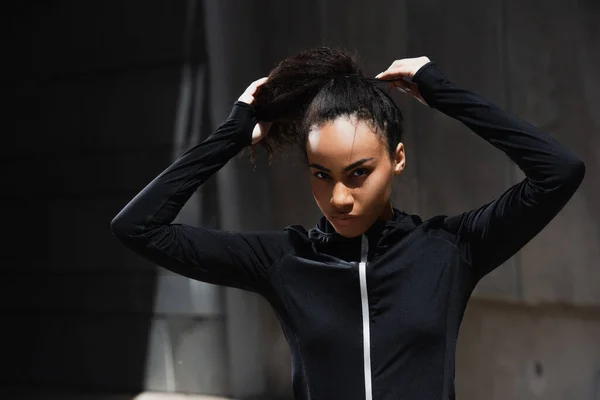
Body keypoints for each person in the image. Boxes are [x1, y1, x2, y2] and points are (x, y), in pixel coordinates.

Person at [110, 47, 585, 400]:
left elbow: (558, 171)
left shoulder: (450, 249)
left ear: (397, 159)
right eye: (322, 175)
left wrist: (444, 94)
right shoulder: (283, 261)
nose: (339, 198)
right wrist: (231, 135)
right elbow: (138, 227)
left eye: (358, 173)